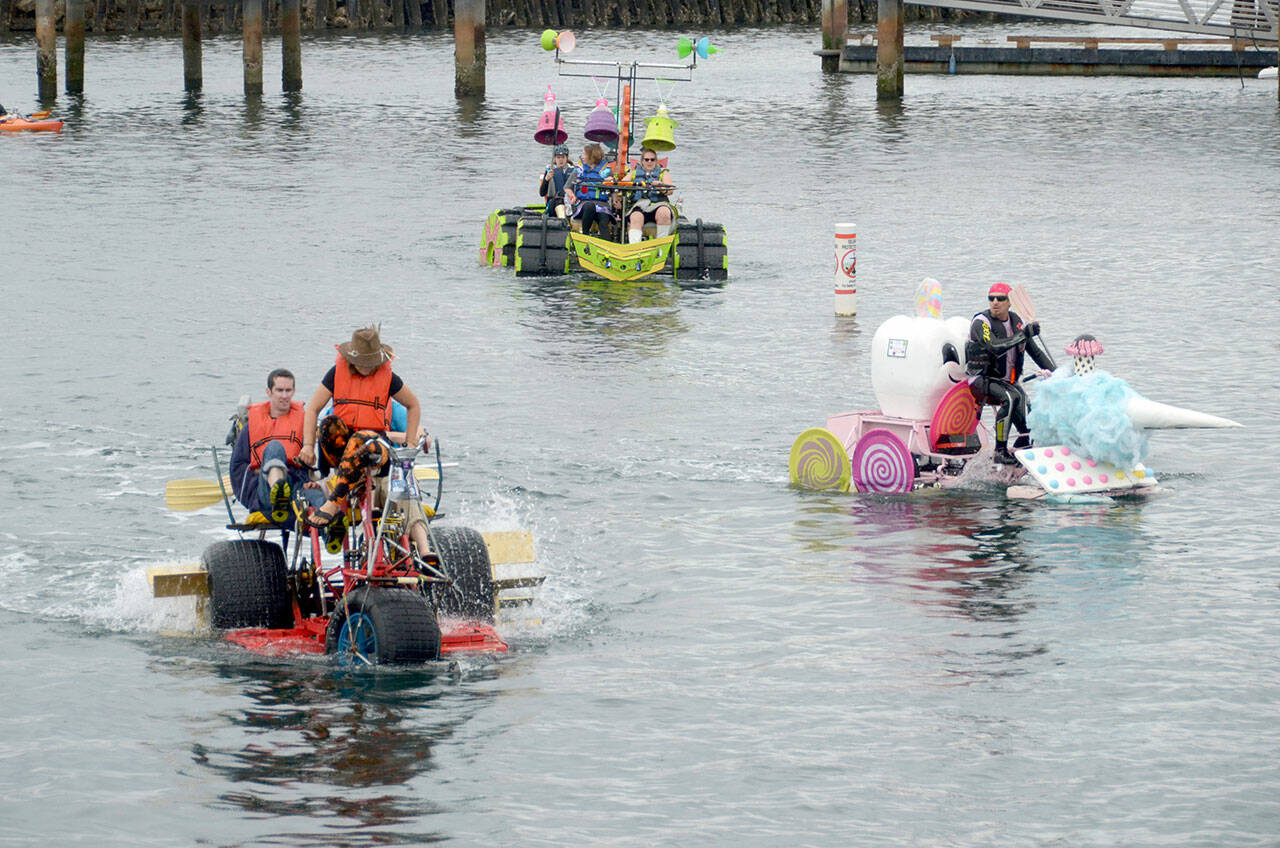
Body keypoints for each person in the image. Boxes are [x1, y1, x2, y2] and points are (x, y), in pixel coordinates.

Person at [297, 326, 433, 557]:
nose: (369, 368)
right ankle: (353, 485)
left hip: (376, 449)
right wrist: (308, 446)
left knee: (365, 438)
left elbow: (414, 405)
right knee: (328, 423)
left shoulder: (389, 379)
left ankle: (333, 502)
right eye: (364, 362)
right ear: (352, 359)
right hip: (343, 453)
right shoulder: (335, 374)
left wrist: (410, 445)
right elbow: (313, 410)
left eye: (373, 363)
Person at [966, 282, 1057, 464]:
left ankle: (1022, 449)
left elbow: (1036, 353)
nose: (995, 302)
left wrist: (1060, 374)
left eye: (1001, 298)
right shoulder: (981, 323)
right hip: (982, 380)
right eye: (991, 298)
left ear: (1010, 303)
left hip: (1008, 382)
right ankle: (1000, 451)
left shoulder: (1017, 322)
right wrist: (1024, 334)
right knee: (1010, 397)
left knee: (1026, 414)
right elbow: (994, 347)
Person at [228, 368, 325, 519]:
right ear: (269, 391)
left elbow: (316, 463)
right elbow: (238, 467)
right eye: (279, 390)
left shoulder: (305, 422)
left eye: (288, 390)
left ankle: (332, 532)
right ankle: (278, 493)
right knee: (275, 446)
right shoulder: (251, 427)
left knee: (321, 500)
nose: (284, 396)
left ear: (294, 391)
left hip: (296, 486)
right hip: (264, 491)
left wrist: (311, 479)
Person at [623, 146, 674, 244]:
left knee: (664, 213)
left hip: (658, 204)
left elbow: (670, 190)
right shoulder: (633, 173)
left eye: (652, 160)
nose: (649, 162)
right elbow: (622, 184)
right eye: (647, 160)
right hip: (640, 205)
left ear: (656, 161)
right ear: (642, 161)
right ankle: (635, 247)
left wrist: (660, 186)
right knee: (635, 217)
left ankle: (660, 247)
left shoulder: (663, 173)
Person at [567, 142, 615, 237]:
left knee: (603, 219)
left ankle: (606, 244)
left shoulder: (606, 172)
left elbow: (614, 191)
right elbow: (567, 187)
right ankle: (585, 236)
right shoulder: (578, 171)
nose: (582, 156)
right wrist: (572, 196)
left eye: (584, 154)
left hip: (602, 205)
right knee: (590, 206)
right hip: (584, 204)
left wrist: (615, 198)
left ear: (592, 157)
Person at [539, 144, 574, 219]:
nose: (561, 160)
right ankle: (563, 221)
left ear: (566, 158)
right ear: (555, 159)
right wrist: (546, 180)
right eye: (558, 157)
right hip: (554, 202)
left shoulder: (573, 171)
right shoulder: (550, 171)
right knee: (559, 201)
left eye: (563, 157)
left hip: (570, 202)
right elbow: (542, 193)